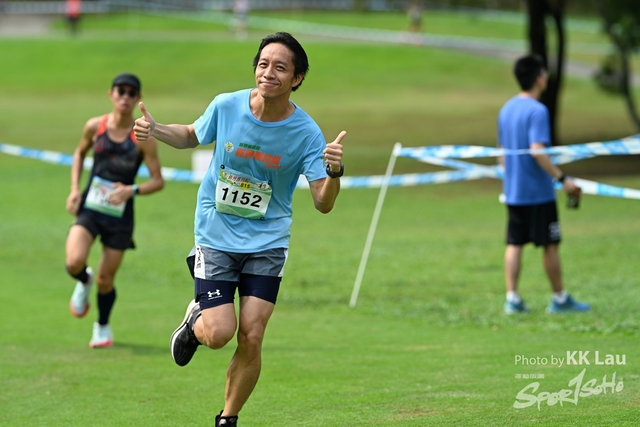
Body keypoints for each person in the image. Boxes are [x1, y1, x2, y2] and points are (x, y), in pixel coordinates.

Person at [133, 32, 346, 427]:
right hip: (216, 234)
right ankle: (195, 324)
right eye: (263, 64)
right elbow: (192, 135)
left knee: (252, 334)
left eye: (280, 67)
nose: (268, 73)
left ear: (297, 78)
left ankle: (227, 419)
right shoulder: (227, 106)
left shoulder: (306, 133)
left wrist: (334, 172)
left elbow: (323, 202)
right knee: (219, 334)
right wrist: (156, 128)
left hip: (268, 242)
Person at [65, 73, 164, 347]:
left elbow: (158, 181)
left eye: (132, 93)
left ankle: (102, 327)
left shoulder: (142, 137)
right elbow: (79, 153)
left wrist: (131, 190)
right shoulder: (94, 126)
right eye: (121, 91)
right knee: (74, 262)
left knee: (105, 279)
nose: (125, 97)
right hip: (90, 207)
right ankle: (83, 281)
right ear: (111, 94)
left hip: (120, 216)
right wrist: (74, 189)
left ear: (138, 98)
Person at [497, 54, 590, 315]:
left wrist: (512, 179)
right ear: (539, 79)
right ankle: (559, 299)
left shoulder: (506, 109)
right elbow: (537, 151)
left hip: (513, 193)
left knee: (515, 243)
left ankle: (512, 299)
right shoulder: (538, 111)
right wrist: (562, 179)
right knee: (550, 243)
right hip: (538, 194)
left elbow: (502, 154)